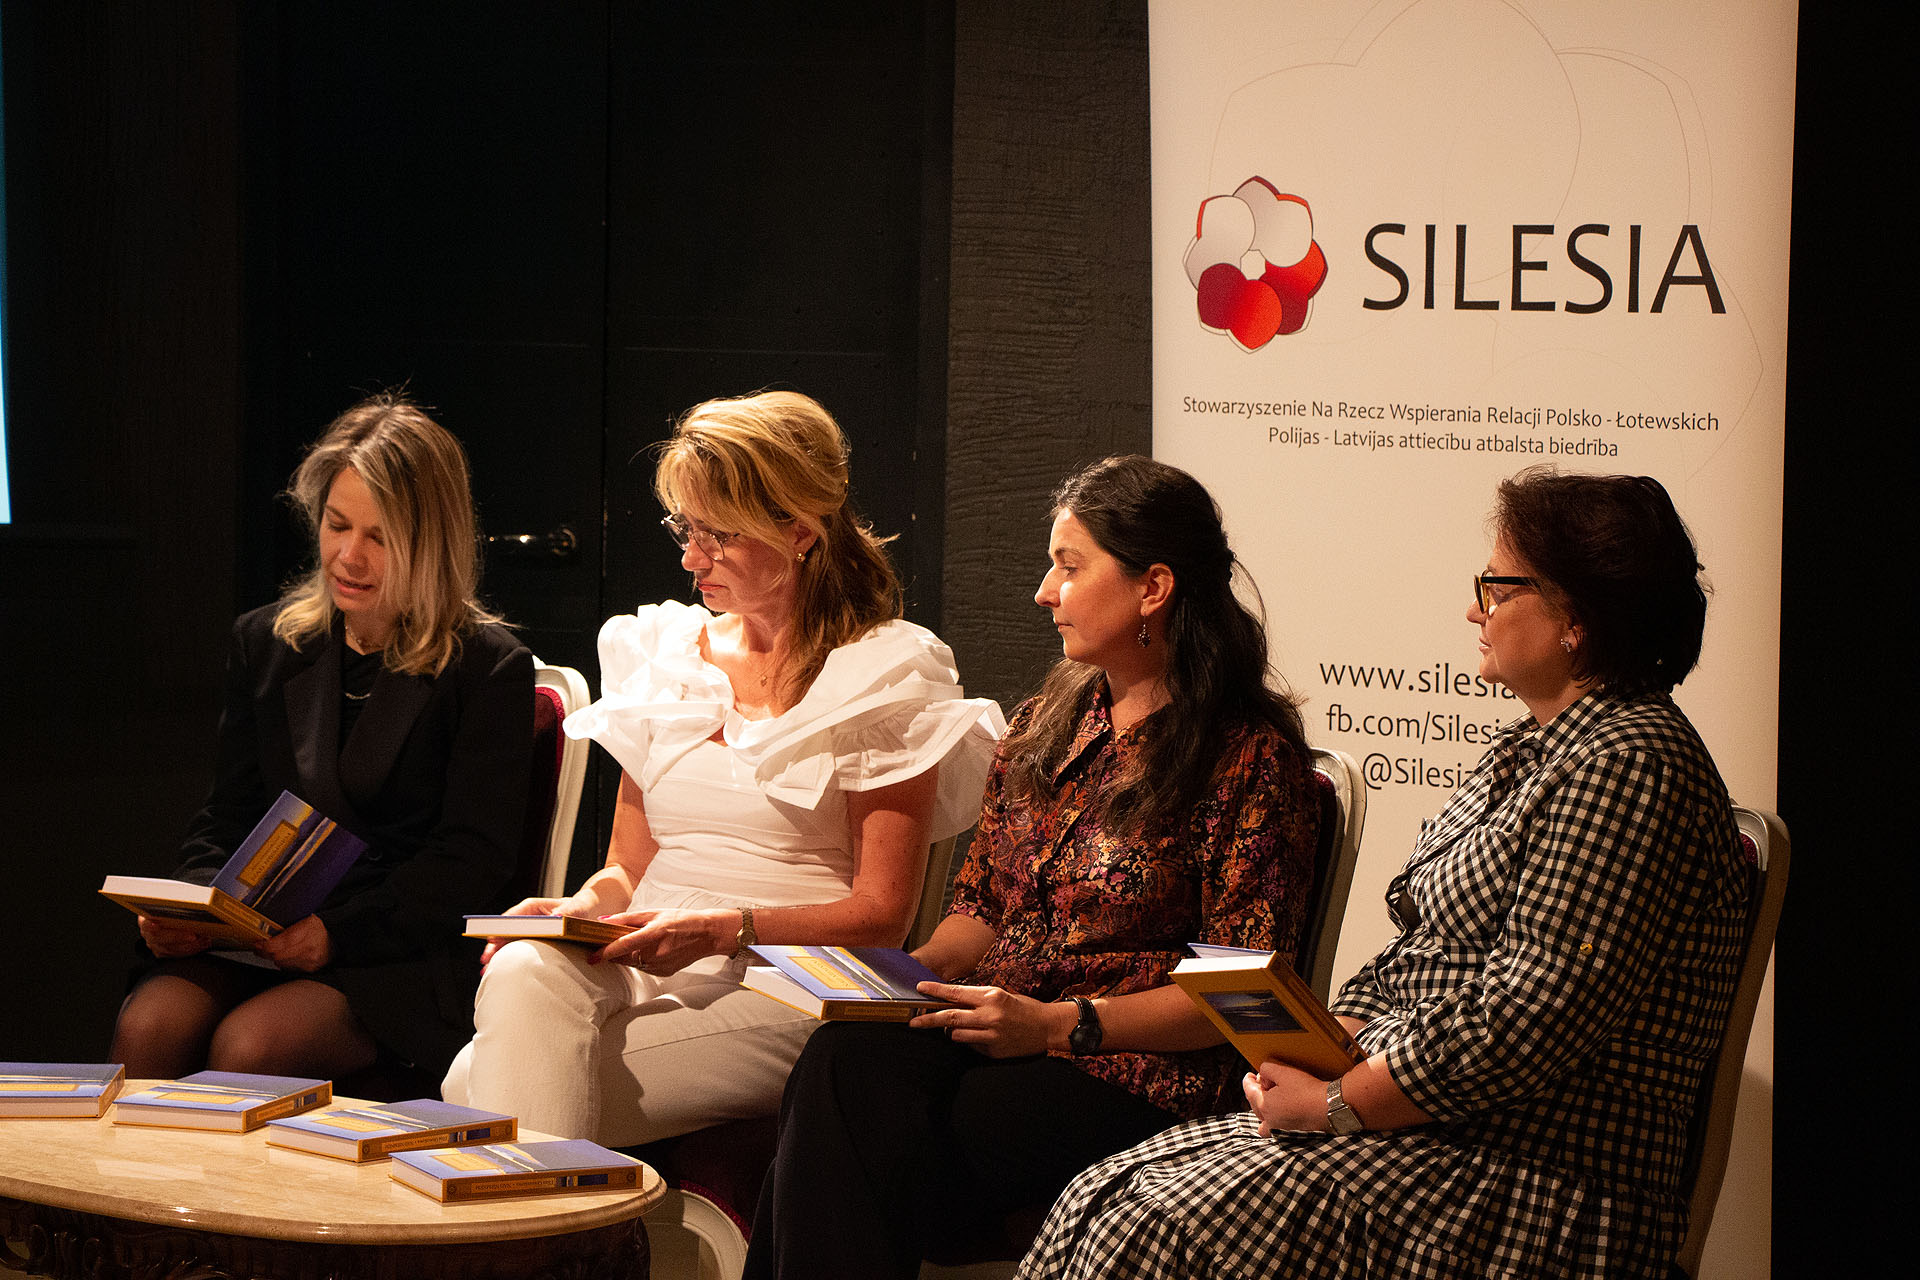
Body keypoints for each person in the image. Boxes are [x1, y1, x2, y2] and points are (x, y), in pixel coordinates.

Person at [1018, 467, 1752, 1280]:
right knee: (1102, 1196)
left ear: (1575, 616)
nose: (1475, 610)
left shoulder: (1632, 764)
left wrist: (1340, 1100)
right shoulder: (1533, 750)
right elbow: (1418, 956)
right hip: (1430, 1133)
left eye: (1497, 588)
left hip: (1532, 1175)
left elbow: (1528, 1019)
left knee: (1154, 1228)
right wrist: (1326, 1043)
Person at [743, 455, 1322, 1280]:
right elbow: (981, 905)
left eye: (1069, 567)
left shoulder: (1247, 759)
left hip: (1134, 1070)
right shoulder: (1047, 720)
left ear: (1153, 588)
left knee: (856, 1140)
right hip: (1000, 1028)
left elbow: (1240, 997)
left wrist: (1058, 1025)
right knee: (844, 1057)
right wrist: (902, 983)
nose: (1045, 592)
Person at [441, 390, 1004, 1145]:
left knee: (475, 1086)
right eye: (685, 528)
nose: (690, 558)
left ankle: (546, 1219)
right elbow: (626, 869)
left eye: (718, 535)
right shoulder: (668, 656)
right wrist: (579, 907)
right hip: (649, 950)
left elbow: (882, 914)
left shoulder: (881, 673)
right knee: (524, 971)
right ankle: (568, 1221)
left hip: (792, 978)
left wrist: (726, 930)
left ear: (799, 531)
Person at [108, 394, 534, 1085]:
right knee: (150, 1025)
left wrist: (339, 933)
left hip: (393, 949)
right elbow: (226, 815)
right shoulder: (267, 641)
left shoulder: (486, 668)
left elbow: (469, 860)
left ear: (430, 543)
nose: (348, 556)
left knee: (252, 1046)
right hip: (260, 932)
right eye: (337, 525)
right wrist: (193, 908)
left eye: (379, 538)